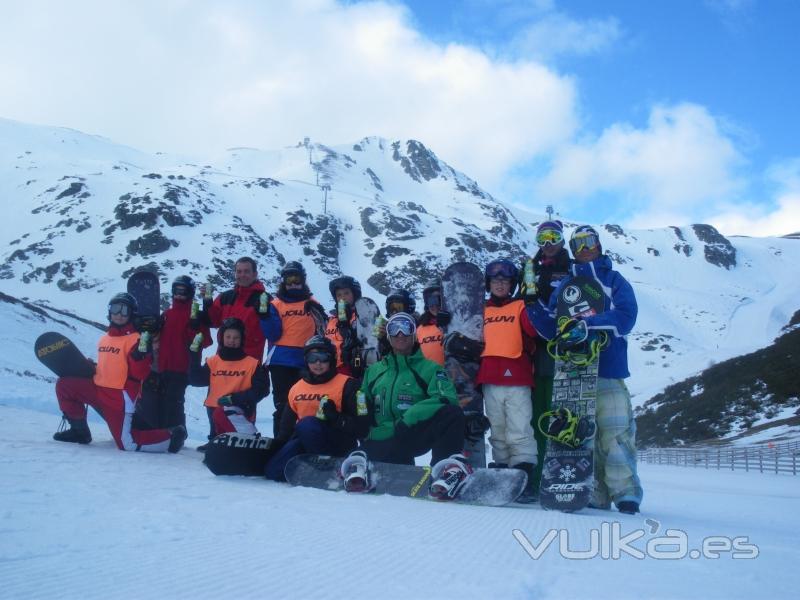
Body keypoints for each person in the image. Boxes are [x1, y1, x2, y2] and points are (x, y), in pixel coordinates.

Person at [527, 225, 642, 515]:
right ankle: (593, 492)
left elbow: (626, 317)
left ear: (599, 244)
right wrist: (532, 304)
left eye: (588, 241)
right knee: (581, 436)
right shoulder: (567, 285)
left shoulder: (613, 280)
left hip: (608, 368)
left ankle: (625, 494)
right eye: (577, 244)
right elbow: (552, 326)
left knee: (615, 433)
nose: (583, 248)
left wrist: (586, 324)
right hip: (573, 372)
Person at [52, 292, 185, 453]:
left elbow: (140, 375)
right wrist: (91, 366)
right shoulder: (105, 338)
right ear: (109, 312)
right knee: (65, 386)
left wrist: (141, 357)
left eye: (124, 310)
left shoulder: (137, 340)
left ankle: (171, 437)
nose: (119, 315)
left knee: (127, 444)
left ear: (132, 314)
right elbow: (110, 365)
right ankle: (79, 432)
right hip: (98, 389)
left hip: (119, 398)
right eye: (116, 309)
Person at [359, 312, 464, 466]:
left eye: (406, 328)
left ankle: (443, 470)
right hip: (381, 437)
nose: (400, 334)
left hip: (411, 433)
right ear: (388, 336)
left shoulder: (430, 369)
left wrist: (409, 418)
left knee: (452, 414)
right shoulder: (373, 371)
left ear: (414, 334)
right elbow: (361, 403)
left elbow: (447, 398)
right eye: (394, 328)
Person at [477, 259, 539, 502]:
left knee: (519, 428)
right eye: (495, 280)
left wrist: (533, 307)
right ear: (488, 284)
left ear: (512, 284)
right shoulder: (481, 309)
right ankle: (503, 475)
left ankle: (524, 476)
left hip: (517, 376)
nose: (500, 284)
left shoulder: (520, 306)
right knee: (498, 430)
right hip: (490, 377)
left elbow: (534, 332)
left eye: (505, 281)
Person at [264, 335, 367, 481]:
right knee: (273, 472)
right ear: (306, 360)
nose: (318, 363)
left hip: (338, 442)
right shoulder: (297, 388)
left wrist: (335, 417)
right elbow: (286, 428)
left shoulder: (348, 385)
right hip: (306, 440)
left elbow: (361, 428)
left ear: (331, 359)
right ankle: (311, 467)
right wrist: (277, 448)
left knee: (307, 424)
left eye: (323, 358)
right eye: (313, 358)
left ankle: (331, 468)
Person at [520, 221, 571, 497]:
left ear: (562, 239)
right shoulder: (531, 269)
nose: (548, 243)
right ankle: (538, 478)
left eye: (554, 237)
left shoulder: (572, 268)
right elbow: (520, 305)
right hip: (535, 351)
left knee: (564, 415)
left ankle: (567, 473)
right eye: (543, 237)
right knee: (537, 416)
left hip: (566, 350)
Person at [133, 275, 211, 430]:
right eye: (177, 291)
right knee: (160, 398)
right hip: (162, 366)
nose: (179, 295)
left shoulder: (195, 314)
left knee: (174, 401)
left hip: (182, 368)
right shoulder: (167, 314)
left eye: (184, 291)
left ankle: (177, 432)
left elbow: (206, 341)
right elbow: (157, 336)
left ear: (190, 293)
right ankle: (161, 431)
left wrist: (195, 328)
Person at [261, 261, 324, 436]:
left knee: (305, 403)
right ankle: (280, 443)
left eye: (296, 278)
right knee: (283, 404)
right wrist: (265, 316)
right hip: (281, 361)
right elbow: (273, 335)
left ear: (303, 280)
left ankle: (301, 440)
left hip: (306, 361)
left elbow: (321, 331)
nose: (293, 283)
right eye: (289, 279)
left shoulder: (312, 303)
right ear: (283, 281)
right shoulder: (276, 304)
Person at [188, 317, 269, 447]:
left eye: (236, 337)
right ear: (222, 338)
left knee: (224, 412)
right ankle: (215, 442)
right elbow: (195, 380)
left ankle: (249, 439)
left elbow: (262, 390)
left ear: (242, 339)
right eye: (228, 337)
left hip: (241, 411)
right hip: (214, 410)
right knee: (218, 421)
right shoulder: (213, 361)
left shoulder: (252, 363)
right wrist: (195, 355)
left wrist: (234, 399)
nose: (231, 341)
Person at [206, 257, 275, 363]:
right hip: (222, 361)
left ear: (255, 274)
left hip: (249, 364)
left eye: (246, 271)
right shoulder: (225, 297)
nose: (242, 275)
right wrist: (208, 305)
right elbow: (214, 322)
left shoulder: (265, 300)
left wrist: (266, 317)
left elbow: (273, 332)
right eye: (239, 272)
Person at [324, 275, 361, 377]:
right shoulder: (331, 320)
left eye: (346, 293)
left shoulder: (361, 316)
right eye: (339, 295)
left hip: (353, 367)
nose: (343, 297)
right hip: (329, 367)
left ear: (354, 294)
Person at [416, 280, 449, 366]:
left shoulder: (455, 322)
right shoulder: (420, 327)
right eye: (430, 302)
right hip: (428, 375)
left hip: (451, 374)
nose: (435, 306)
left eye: (439, 300)